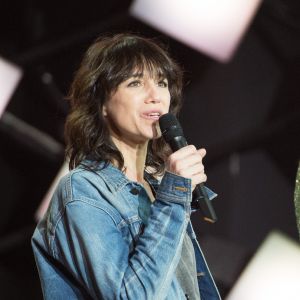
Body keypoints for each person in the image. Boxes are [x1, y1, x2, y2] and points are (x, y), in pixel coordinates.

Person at [31, 33, 221, 300]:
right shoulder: (83, 189)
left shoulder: (155, 187)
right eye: (135, 83)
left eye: (162, 82)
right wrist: (174, 196)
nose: (155, 96)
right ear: (102, 103)